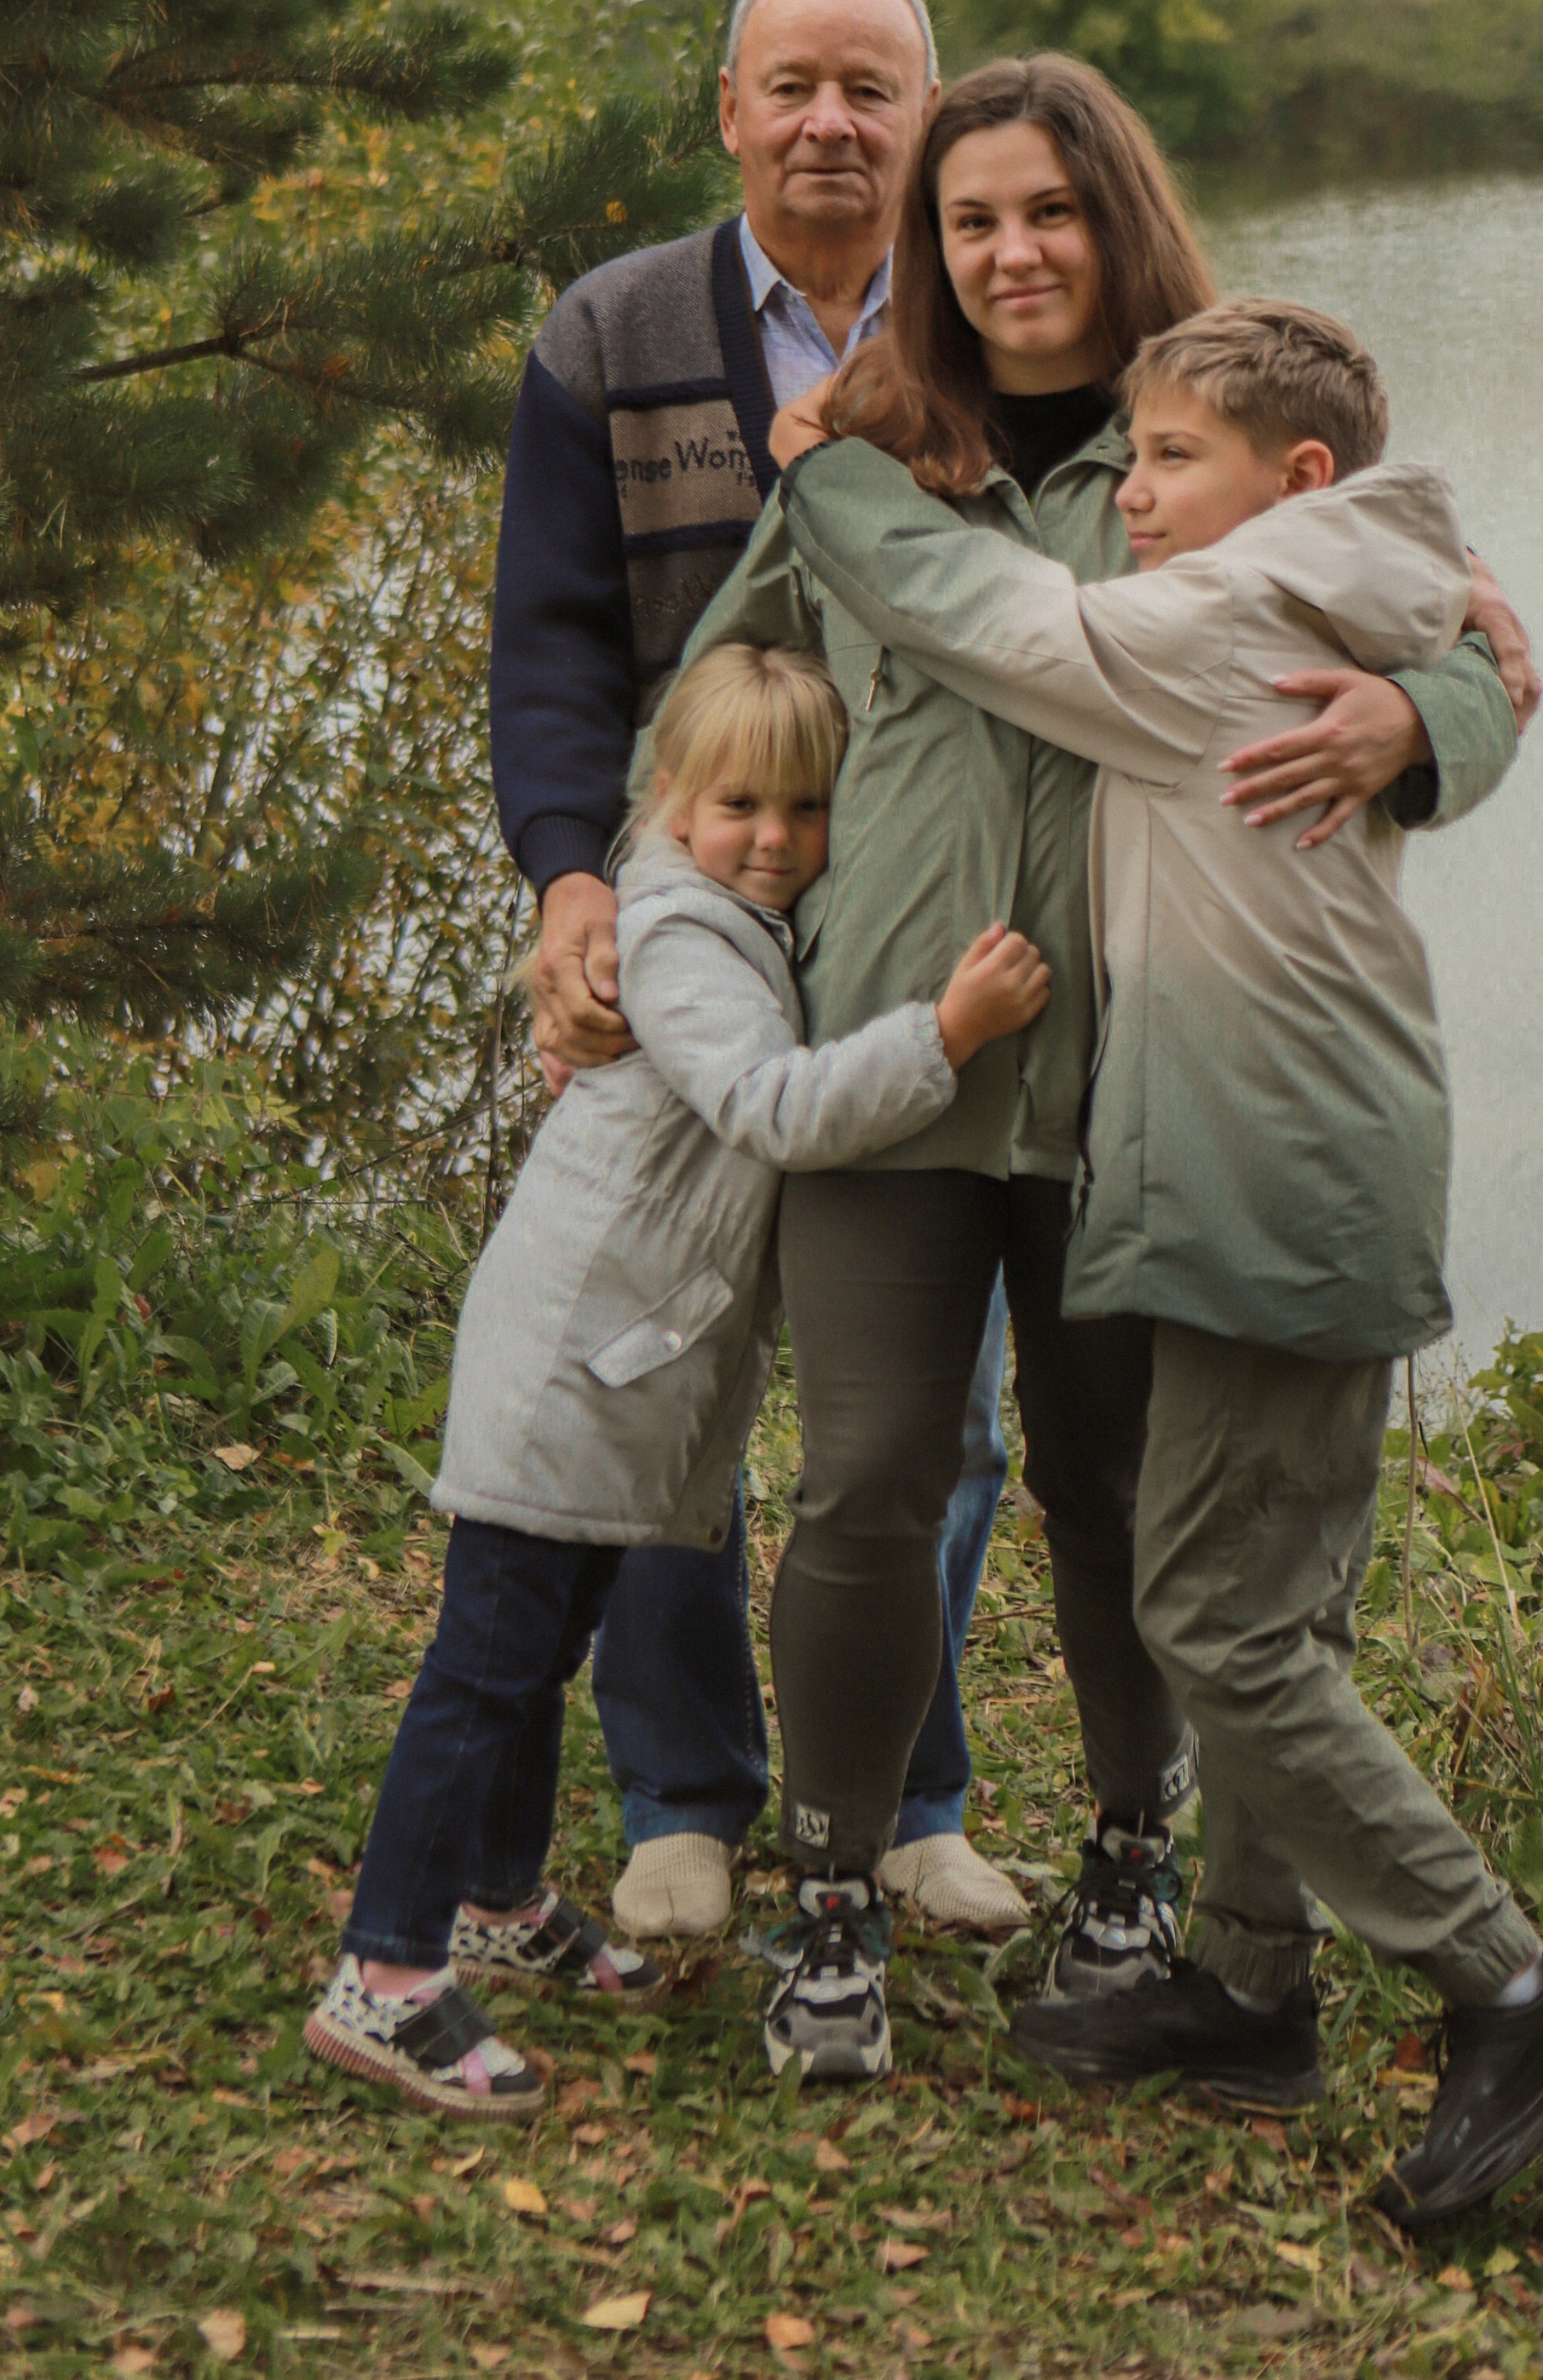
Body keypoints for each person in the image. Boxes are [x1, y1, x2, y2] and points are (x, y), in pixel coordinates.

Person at [669, 55, 1536, 2083]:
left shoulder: (1207, 446)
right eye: (967, 220)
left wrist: (1424, 727)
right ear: (926, 247)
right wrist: (630, 910)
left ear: (1115, 216)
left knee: (1114, 1493)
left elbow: (1460, 633)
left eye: (1047, 209)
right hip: (890, 1060)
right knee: (866, 1482)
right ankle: (832, 1892)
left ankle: (1137, 1872)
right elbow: (712, 715)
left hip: (1129, 1087)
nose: (1010, 252)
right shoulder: (864, 461)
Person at [776, 299, 1543, 2219]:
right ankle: (1251, 1991)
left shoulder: (1229, 617)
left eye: (1170, 458)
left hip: (1276, 1169)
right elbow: (1450, 635)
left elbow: (982, 614)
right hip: (1300, 1151)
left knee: (1215, 1620)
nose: (1135, 492)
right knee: (1279, 1605)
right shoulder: (1356, 586)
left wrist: (825, 466)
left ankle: (1515, 1990)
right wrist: (1458, 666)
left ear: (1298, 478)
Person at [304, 643, 1049, 2120]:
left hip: (619, 1364)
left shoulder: (739, 921)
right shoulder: (684, 943)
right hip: (569, 1365)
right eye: (738, 806)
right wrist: (946, 1036)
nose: (773, 836)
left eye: (805, 807)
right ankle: (385, 1973)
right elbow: (773, 1106)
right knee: (485, 1666)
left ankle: (498, 1897)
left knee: (545, 1643)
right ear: (670, 800)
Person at [487, 0, 1022, 1940]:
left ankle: (902, 1798)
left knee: (933, 1421)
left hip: (918, 938)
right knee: (663, 1388)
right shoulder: (613, 331)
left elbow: (1233, 481)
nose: (829, 124)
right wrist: (573, 883)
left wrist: (1442, 600)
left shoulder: (1008, 317)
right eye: (790, 84)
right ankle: (683, 1797)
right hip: (690, 934)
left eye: (871, 88)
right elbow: (548, 644)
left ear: (927, 116)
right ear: (726, 111)